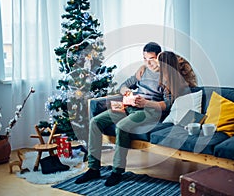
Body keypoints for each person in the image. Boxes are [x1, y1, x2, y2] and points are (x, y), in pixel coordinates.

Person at [75, 43, 189, 186]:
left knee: (122, 127)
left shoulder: (166, 75)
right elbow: (122, 86)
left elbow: (168, 104)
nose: (148, 62)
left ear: (159, 57)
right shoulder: (142, 72)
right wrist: (127, 92)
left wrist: (145, 103)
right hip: (130, 106)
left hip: (149, 111)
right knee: (95, 122)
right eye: (145, 58)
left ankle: (117, 171)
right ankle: (93, 168)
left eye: (152, 58)